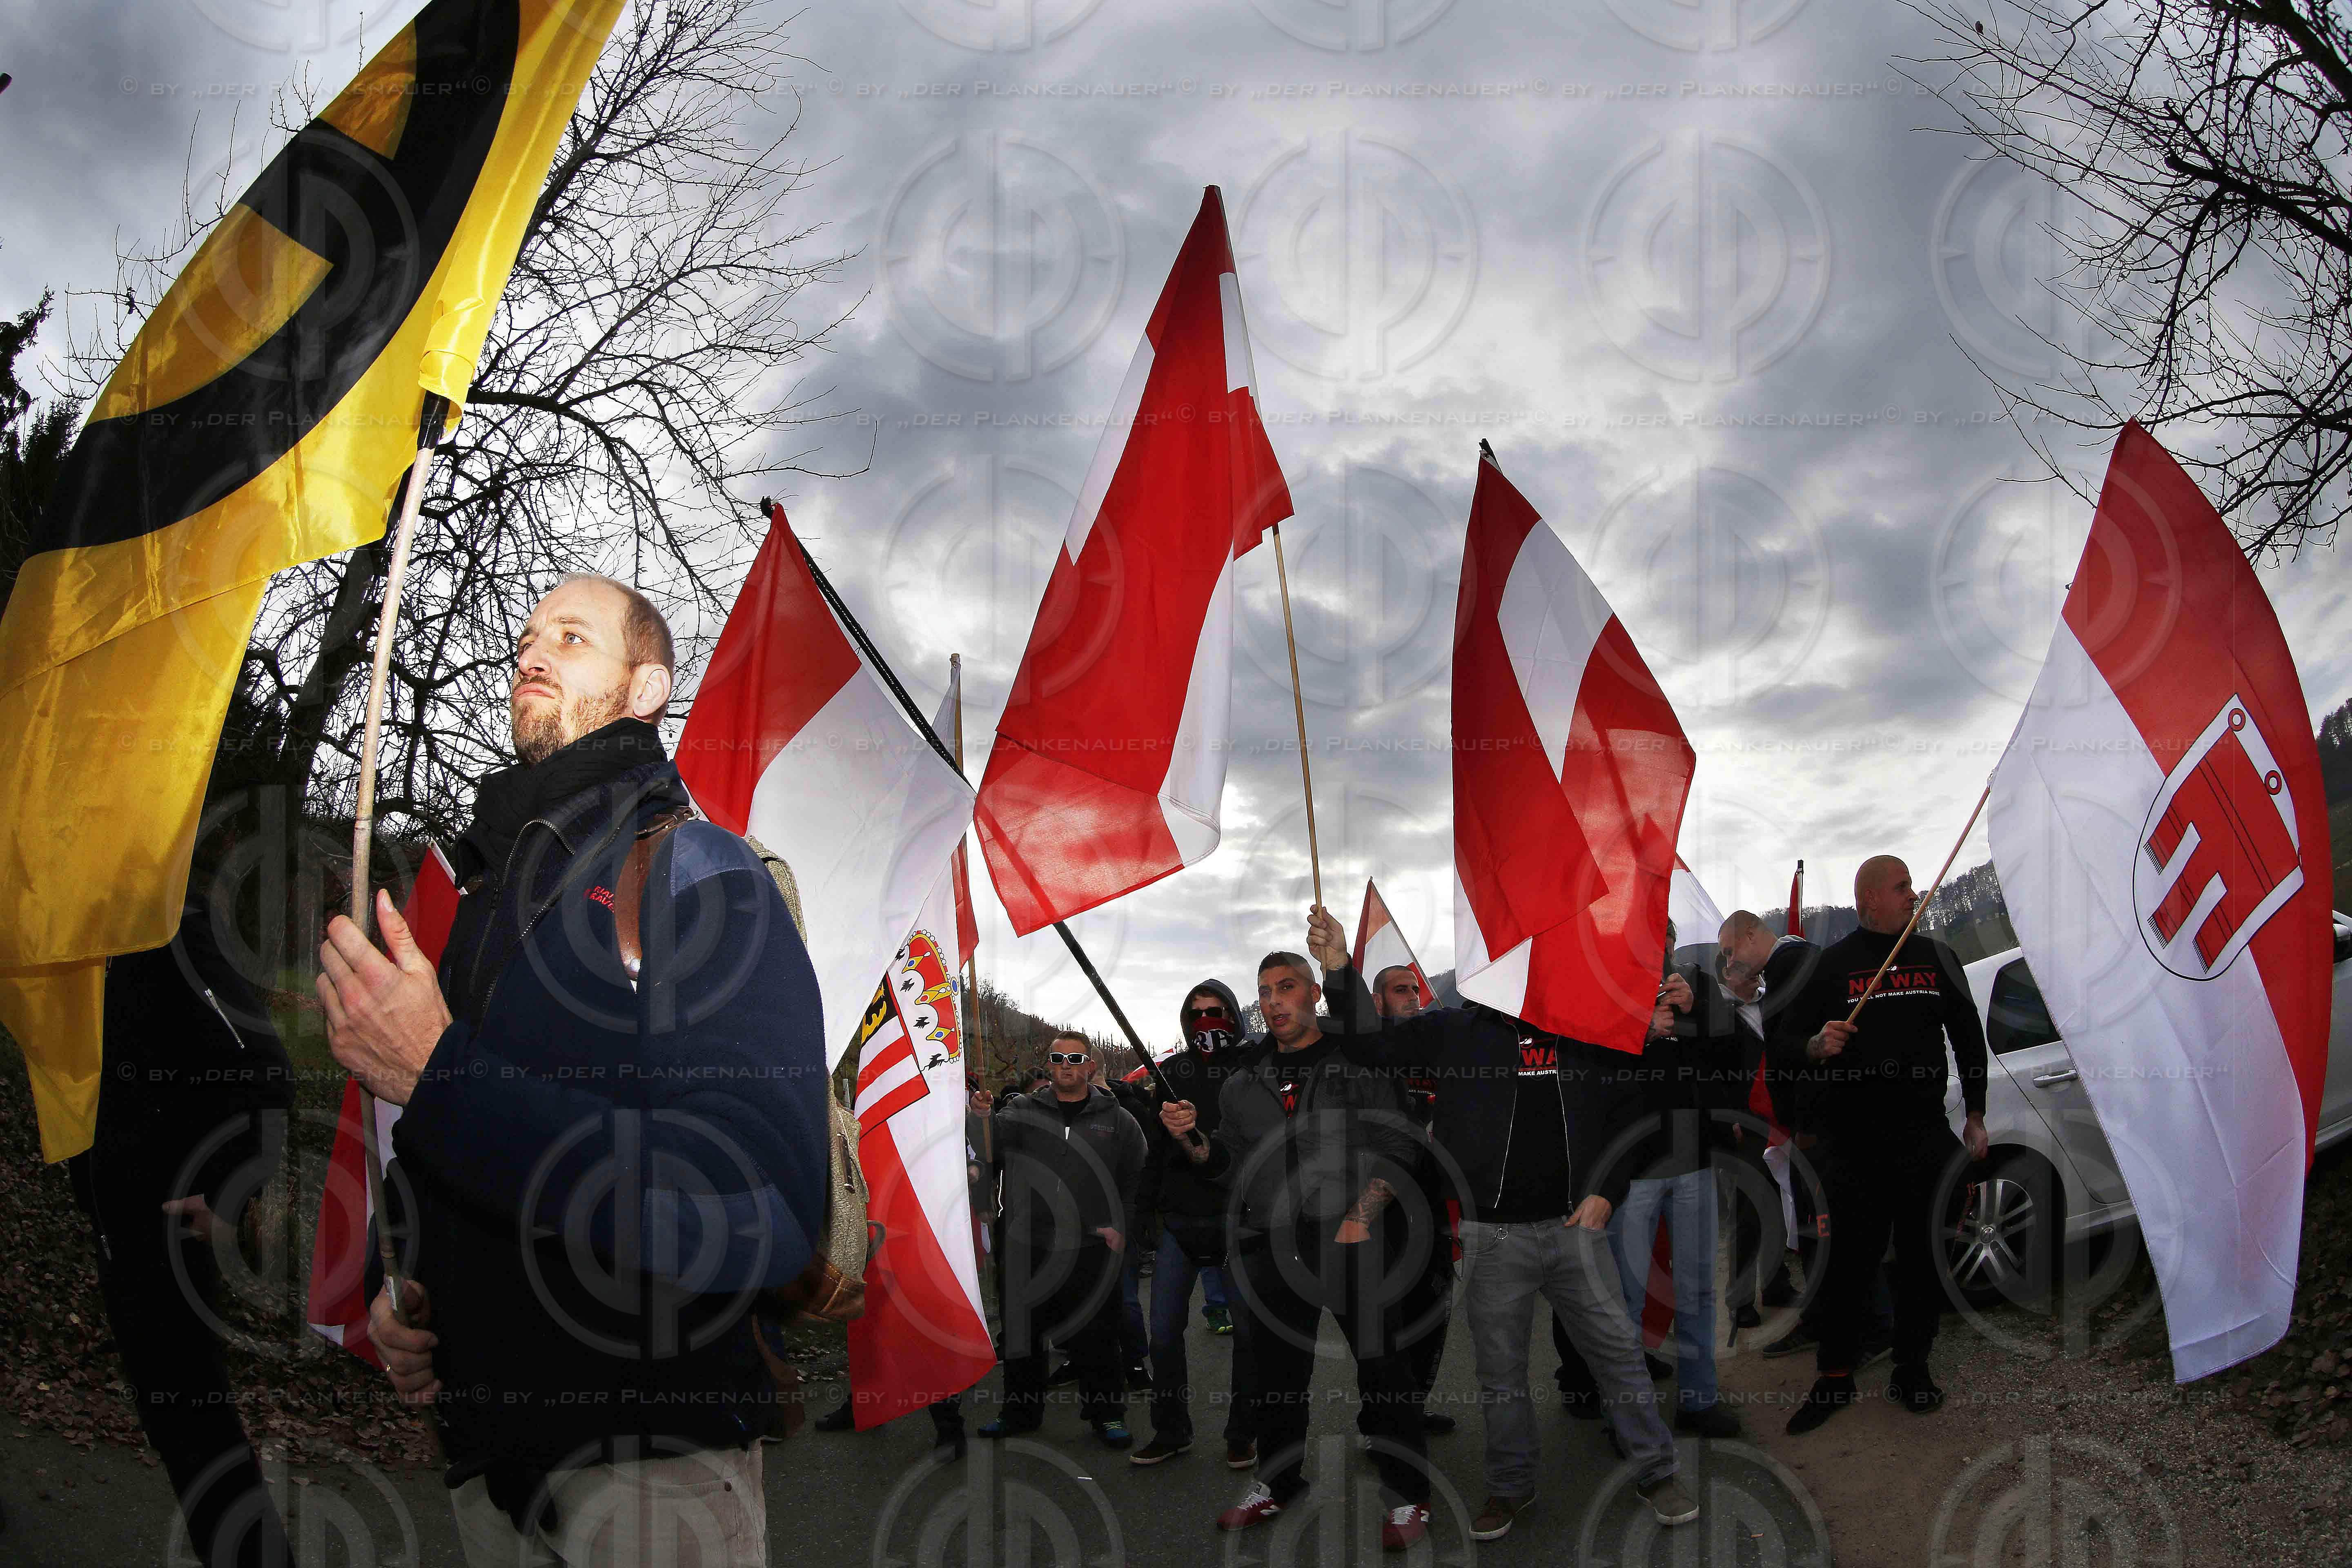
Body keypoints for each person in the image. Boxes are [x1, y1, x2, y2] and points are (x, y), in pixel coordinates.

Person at [319, 574, 828, 1566]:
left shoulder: (700, 873)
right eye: (525, 635)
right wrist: (407, 1287)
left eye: (573, 635)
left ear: (645, 689)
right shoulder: (483, 896)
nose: (532, 651)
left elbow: (756, 1209)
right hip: (485, 1469)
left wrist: (439, 1074)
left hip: (650, 1474)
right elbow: (457, 1150)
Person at [1309, 908, 1699, 1542]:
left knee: (1620, 1358)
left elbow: (1636, 1113)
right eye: (1495, 959)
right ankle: (1510, 1488)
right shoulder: (1455, 1032)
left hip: (1577, 1229)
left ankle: (1657, 1472)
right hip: (1494, 1239)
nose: (1508, 968)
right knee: (1500, 1377)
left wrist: (1607, 1189)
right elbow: (1369, 1043)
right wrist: (1339, 972)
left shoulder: (1585, 1025)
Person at [1158, 948, 1434, 1549]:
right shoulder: (1243, 1081)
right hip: (1274, 1243)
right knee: (1276, 1377)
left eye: (1287, 986)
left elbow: (1399, 1144)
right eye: (1264, 991)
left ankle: (1409, 1494)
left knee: (1384, 1370)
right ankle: (1278, 1483)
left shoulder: (1358, 1063)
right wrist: (1195, 1143)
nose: (1274, 1000)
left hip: (1355, 1237)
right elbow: (1227, 1161)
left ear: (1313, 993)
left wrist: (1361, 1218)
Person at [70, 891, 295, 1567]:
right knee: (175, 1425)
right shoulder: (82, 934)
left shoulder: (172, 927)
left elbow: (266, 1067)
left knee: (198, 1429)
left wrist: (230, 1193)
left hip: (169, 1228)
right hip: (117, 1221)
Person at [1773, 856, 1989, 1433]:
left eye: (1912, 887)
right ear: (1869, 898)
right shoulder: (1831, 966)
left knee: (1923, 1263)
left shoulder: (1936, 956)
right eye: (1902, 888)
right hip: (1853, 1148)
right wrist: (1817, 1045)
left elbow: (1969, 1037)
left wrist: (1975, 1112)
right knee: (1847, 1267)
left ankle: (1912, 1369)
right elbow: (1785, 1045)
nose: (1913, 895)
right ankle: (1835, 1377)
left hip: (1923, 1137)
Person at [1591, 950, 1751, 1439]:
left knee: (1698, 1291)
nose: (1656, 935)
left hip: (1694, 1162)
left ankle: (1698, 1402)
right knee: (1628, 1300)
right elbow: (1580, 1073)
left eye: (1663, 927)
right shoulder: (1602, 987)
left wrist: (1701, 1012)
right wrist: (1636, 1031)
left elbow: (1744, 1051)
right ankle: (1628, 1420)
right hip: (1631, 1171)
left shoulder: (1692, 986)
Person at [971, 1033, 1147, 1448]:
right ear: (1049, 1065)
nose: (1066, 1064)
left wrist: (1121, 1225)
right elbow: (988, 1149)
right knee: (1021, 1335)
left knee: (1097, 1335)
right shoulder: (1021, 1111)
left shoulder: (1117, 1118)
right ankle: (1020, 1412)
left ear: (1090, 1066)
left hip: (1091, 1246)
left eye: (1075, 1058)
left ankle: (1107, 1415)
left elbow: (1136, 1176)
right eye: (1057, 1058)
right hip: (1025, 1244)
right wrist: (980, 1117)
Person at [1130, 982, 1260, 1469]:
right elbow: (1154, 1155)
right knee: (1162, 1334)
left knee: (1249, 1336)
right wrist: (1141, 1217)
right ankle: (1171, 1429)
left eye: (1218, 1012)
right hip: (1180, 1225)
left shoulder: (1253, 1068)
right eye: (1198, 1014)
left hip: (1238, 1223)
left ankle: (1243, 1432)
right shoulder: (1171, 1074)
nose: (1208, 1022)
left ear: (1234, 1016)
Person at [1356, 965, 1459, 1443]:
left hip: (1434, 1204)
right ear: (1377, 1002)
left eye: (1417, 989)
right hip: (1385, 1208)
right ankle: (1378, 1424)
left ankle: (1411, 1410)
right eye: (1402, 990)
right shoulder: (1369, 1054)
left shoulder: (1435, 1049)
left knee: (1432, 1314)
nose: (1415, 997)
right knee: (1384, 1326)